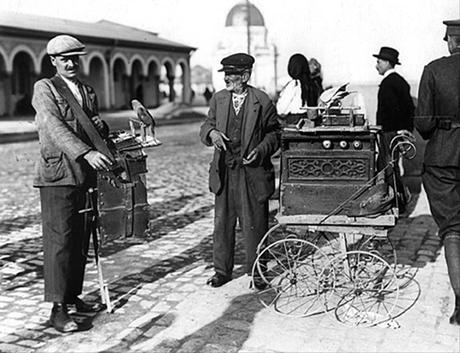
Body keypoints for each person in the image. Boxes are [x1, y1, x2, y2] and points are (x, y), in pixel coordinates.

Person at [32, 35, 113, 333]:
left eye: (75, 58)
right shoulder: (45, 88)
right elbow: (53, 126)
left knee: (80, 238)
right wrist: (87, 152)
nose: (71, 63)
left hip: (85, 174)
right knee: (59, 241)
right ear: (53, 61)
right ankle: (58, 308)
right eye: (64, 59)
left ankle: (72, 295)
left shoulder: (87, 91)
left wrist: (101, 131)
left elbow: (90, 123)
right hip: (58, 174)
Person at [200, 53, 280, 289]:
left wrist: (261, 149)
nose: (227, 79)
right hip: (225, 170)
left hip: (251, 172)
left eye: (231, 75)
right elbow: (207, 125)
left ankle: (257, 271)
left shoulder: (262, 101)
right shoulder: (218, 99)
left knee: (254, 222)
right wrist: (212, 134)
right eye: (225, 75)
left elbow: (275, 134)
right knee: (222, 224)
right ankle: (221, 271)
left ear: (245, 76)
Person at [414, 19, 460, 326]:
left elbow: (425, 125)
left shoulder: (433, 70)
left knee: (453, 231)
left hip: (444, 158)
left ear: (451, 41)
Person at [373, 46, 415, 207]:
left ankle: (397, 202)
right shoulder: (399, 81)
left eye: (379, 62)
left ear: (387, 62)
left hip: (390, 133)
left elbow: (394, 110)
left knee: (387, 166)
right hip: (395, 132)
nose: (376, 65)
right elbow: (409, 108)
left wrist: (395, 131)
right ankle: (399, 200)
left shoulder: (388, 83)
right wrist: (405, 130)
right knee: (391, 165)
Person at [276, 53, 321, 125]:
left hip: (294, 122)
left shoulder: (293, 84)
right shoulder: (313, 84)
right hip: (310, 122)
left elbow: (281, 110)